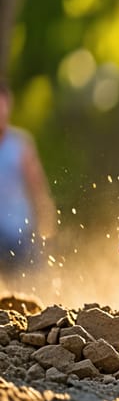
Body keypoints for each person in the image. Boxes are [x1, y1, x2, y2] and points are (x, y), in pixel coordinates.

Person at [0, 82, 56, 277]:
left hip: (19, 230)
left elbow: (37, 186)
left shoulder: (20, 144)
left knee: (26, 285)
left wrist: (45, 219)